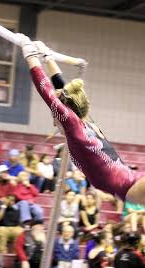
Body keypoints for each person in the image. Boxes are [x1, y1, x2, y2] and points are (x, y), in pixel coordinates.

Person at [18, 35, 145, 205]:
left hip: (129, 186)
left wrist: (30, 56)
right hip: (128, 181)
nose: (54, 121)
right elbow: (61, 90)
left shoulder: (74, 126)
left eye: (54, 116)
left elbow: (46, 92)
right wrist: (47, 57)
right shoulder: (82, 122)